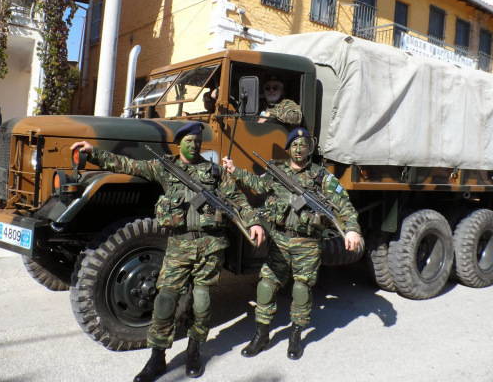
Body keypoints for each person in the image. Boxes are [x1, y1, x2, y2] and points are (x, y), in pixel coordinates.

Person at [70, 122, 265, 382]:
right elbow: (127, 165)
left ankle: (194, 350)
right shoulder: (165, 168)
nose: (194, 144)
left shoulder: (215, 172)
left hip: (211, 245)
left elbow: (238, 199)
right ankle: (157, 357)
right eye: (189, 140)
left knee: (202, 302)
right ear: (179, 142)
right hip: (179, 246)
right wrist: (93, 152)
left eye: (198, 140)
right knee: (164, 301)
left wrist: (253, 221)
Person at [222, 128, 361, 360]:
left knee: (301, 289)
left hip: (307, 243)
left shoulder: (321, 176)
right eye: (294, 145)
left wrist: (352, 229)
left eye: (303, 144)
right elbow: (257, 183)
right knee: (266, 286)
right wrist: (235, 170)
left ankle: (296, 335)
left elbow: (343, 203)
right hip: (278, 240)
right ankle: (261, 335)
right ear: (289, 149)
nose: (298, 149)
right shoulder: (277, 172)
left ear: (309, 147)